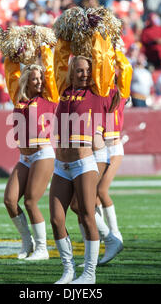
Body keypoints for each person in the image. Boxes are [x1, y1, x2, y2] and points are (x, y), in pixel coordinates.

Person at [50, 31, 115, 284]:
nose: (84, 74)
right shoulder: (63, 92)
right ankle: (68, 270)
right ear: (71, 72)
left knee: (86, 214)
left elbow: (104, 63)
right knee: (56, 219)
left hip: (84, 163)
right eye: (79, 70)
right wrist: (66, 36)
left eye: (87, 70)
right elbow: (58, 61)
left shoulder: (97, 94)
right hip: (61, 165)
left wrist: (97, 31)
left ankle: (89, 273)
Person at [3, 44, 58, 261]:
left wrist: (44, 47)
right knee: (9, 200)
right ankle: (28, 241)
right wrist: (14, 49)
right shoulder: (19, 98)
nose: (39, 82)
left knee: (31, 201)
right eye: (34, 78)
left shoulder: (49, 98)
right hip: (24, 156)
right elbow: (11, 71)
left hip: (43, 153)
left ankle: (42, 248)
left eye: (41, 78)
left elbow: (51, 71)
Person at [94, 48, 133, 265]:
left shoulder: (120, 92)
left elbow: (126, 68)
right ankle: (103, 236)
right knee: (92, 196)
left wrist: (113, 50)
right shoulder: (96, 94)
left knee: (100, 190)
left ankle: (114, 233)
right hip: (97, 148)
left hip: (114, 146)